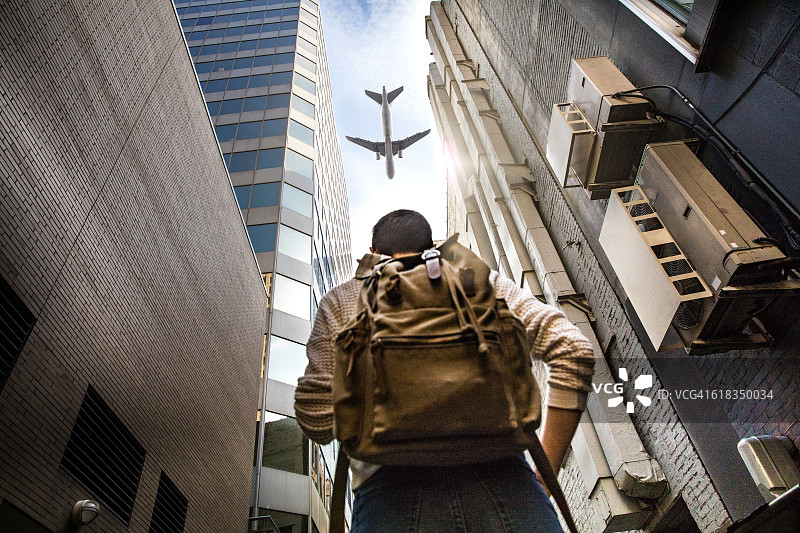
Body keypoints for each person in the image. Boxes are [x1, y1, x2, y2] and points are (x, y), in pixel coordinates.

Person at [295, 209, 595, 532]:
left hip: (390, 500)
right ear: (432, 246)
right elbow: (574, 352)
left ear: (372, 253)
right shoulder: (475, 281)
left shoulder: (344, 299)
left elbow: (317, 421)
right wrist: (544, 476)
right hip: (508, 488)